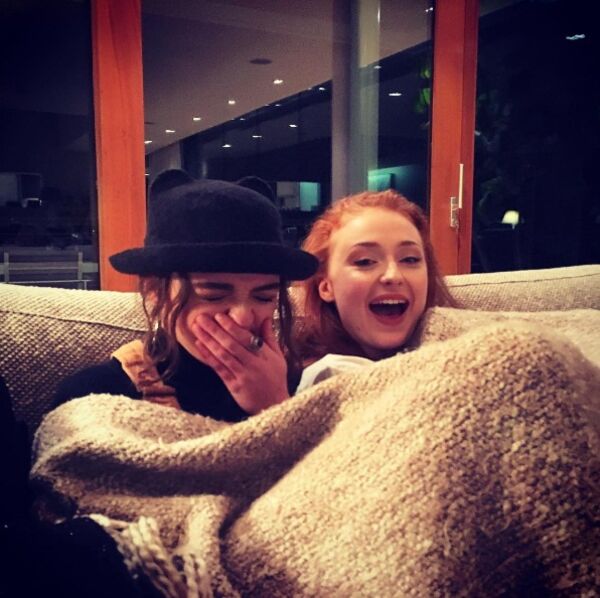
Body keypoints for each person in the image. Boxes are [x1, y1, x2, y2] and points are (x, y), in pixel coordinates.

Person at [53, 169, 318, 420]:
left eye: (264, 298)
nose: (242, 318)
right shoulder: (94, 396)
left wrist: (275, 404)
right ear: (154, 289)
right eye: (213, 295)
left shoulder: (303, 387)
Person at [294, 189, 456, 390]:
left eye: (410, 259)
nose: (393, 276)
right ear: (326, 286)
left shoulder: (464, 346)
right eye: (365, 261)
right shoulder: (315, 378)